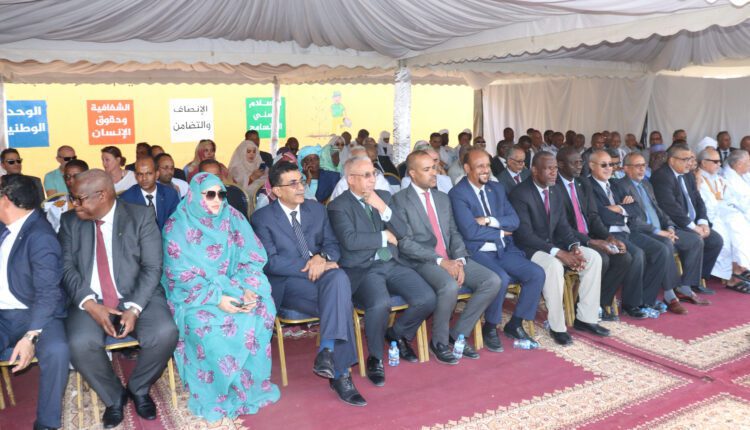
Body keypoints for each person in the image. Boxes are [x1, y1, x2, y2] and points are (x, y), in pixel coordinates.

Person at [60, 169, 178, 428]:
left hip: (136, 294)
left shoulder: (140, 216)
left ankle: (138, 387)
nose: (73, 204)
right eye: (72, 198)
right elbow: (66, 268)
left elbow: (152, 267)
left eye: (79, 199)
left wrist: (134, 309)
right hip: (90, 299)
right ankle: (114, 396)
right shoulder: (70, 222)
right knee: (79, 343)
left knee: (165, 333)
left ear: (101, 195)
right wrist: (90, 304)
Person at [162, 172, 280, 419]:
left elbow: (252, 258)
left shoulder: (233, 217)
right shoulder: (177, 227)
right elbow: (179, 277)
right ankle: (219, 391)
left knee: (261, 310)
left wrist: (249, 288)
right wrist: (217, 299)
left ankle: (249, 387)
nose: (217, 200)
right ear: (195, 195)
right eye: (210, 195)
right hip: (195, 296)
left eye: (221, 194)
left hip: (236, 286)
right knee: (208, 327)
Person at [251, 162, 365, 406]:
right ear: (277, 191)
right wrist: (311, 265)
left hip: (323, 279)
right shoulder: (262, 218)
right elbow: (271, 262)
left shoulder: (317, 210)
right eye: (293, 184)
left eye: (301, 181)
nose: (301, 187)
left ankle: (329, 355)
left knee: (339, 280)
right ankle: (339, 371)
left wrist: (321, 257)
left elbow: (333, 246)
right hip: (289, 284)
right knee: (341, 297)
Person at [327, 156, 436, 387]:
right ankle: (375, 357)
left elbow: (402, 231)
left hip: (392, 263)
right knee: (380, 304)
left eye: (374, 174)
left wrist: (383, 208)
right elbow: (350, 241)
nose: (372, 179)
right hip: (363, 268)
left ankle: (397, 334)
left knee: (427, 297)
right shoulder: (338, 205)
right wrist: (384, 236)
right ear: (351, 179)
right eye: (366, 175)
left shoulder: (384, 197)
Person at [393, 150, 502, 363]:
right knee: (449, 286)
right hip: (422, 260)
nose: (434, 173)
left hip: (451, 257)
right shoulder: (400, 200)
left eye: (434, 167)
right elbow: (405, 243)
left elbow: (454, 232)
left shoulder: (442, 198)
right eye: (427, 169)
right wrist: (441, 261)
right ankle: (439, 342)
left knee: (492, 280)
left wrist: (459, 259)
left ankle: (457, 333)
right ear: (412, 173)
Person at [449, 149, 544, 350]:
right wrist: (501, 231)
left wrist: (488, 220)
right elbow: (470, 232)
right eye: (480, 166)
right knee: (500, 278)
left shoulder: (497, 188)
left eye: (488, 165)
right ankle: (490, 327)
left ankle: (515, 323)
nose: (486, 170)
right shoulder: (458, 193)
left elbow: (514, 221)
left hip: (502, 249)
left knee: (536, 273)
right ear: (467, 168)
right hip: (478, 251)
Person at [508, 152, 606, 346]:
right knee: (554, 266)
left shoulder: (555, 191)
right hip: (530, 250)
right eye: (548, 169)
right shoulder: (520, 194)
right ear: (534, 170)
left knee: (593, 257)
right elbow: (525, 235)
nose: (554, 172)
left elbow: (563, 226)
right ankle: (557, 327)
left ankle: (586, 319)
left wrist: (574, 246)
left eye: (555, 168)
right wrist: (559, 253)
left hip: (554, 245)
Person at [0, 174, 69, 430]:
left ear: (6, 200)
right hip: (3, 314)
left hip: (36, 314)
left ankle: (47, 423)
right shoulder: (5, 227)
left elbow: (48, 294)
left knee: (57, 350)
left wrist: (30, 336)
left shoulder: (41, 236)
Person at [555, 148, 641, 321]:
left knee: (623, 257)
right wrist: (591, 241)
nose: (579, 166)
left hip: (590, 235)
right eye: (574, 163)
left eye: (580, 162)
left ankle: (600, 303)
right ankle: (583, 306)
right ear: (561, 164)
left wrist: (609, 237)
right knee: (603, 258)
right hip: (567, 239)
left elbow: (593, 216)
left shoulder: (582, 183)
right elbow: (561, 225)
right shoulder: (553, 186)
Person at [614, 152, 701, 314]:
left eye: (643, 165)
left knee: (694, 240)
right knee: (665, 245)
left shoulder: (646, 184)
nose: (642, 169)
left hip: (660, 229)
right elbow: (633, 219)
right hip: (641, 231)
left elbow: (658, 209)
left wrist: (669, 227)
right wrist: (658, 231)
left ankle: (685, 287)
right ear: (625, 169)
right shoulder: (620, 186)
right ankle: (670, 294)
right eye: (637, 166)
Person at [585, 150, 659, 319]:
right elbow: (598, 214)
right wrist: (624, 210)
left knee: (660, 249)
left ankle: (645, 300)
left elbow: (636, 208)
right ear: (592, 166)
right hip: (605, 233)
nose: (609, 168)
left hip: (626, 230)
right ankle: (630, 304)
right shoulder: (587, 186)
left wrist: (618, 208)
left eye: (611, 164)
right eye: (604, 165)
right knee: (636, 254)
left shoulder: (615, 184)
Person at [650, 144, 723, 297]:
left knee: (716, 240)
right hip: (672, 225)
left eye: (690, 159)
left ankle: (696, 280)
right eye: (685, 159)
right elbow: (670, 207)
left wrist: (702, 222)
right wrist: (693, 227)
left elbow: (698, 199)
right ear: (672, 160)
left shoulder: (687, 174)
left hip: (691, 223)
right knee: (695, 240)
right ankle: (685, 286)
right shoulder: (662, 176)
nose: (690, 163)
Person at [696, 148, 750, 292]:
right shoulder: (697, 178)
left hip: (722, 214)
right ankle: (732, 276)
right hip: (706, 217)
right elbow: (702, 204)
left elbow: (729, 199)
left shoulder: (718, 178)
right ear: (703, 163)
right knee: (725, 237)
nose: (719, 164)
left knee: (739, 229)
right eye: (715, 162)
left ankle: (739, 270)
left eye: (719, 161)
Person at [718, 150, 750, 291]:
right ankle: (737, 273)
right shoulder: (727, 178)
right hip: (730, 214)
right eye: (748, 162)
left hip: (743, 212)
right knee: (740, 232)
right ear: (738, 164)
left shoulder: (743, 175)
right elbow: (737, 203)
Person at [119, 157, 180, 230]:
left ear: (157, 174)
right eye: (140, 174)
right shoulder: (126, 199)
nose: (144, 178)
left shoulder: (170, 195)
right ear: (135, 176)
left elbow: (176, 224)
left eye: (149, 173)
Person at [43, 159, 89, 233]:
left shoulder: (98, 201)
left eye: (76, 176)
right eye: (67, 177)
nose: (70, 180)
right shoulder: (57, 207)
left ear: (87, 177)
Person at [228, 140, 268, 213]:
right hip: (245, 202)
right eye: (248, 151)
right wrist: (252, 178)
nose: (252, 154)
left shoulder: (259, 164)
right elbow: (238, 188)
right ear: (242, 152)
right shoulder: (236, 168)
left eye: (254, 151)